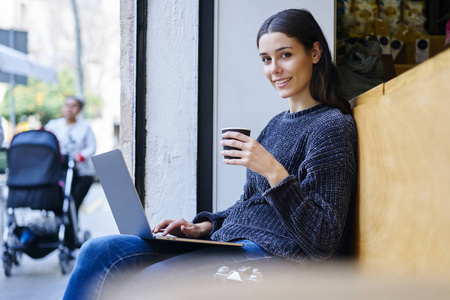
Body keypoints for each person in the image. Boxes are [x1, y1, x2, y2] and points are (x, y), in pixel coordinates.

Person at [63, 9, 357, 300]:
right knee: (97, 251)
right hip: (235, 244)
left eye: (285, 55)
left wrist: (273, 171)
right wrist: (205, 226)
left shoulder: (331, 126)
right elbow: (251, 205)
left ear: (315, 53)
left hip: (281, 257)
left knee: (143, 284)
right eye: (266, 60)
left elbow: (324, 240)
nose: (274, 69)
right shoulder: (276, 124)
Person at [45, 96, 96, 250]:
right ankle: (64, 237)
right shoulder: (53, 125)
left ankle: (71, 241)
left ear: (79, 110)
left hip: (81, 174)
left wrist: (80, 156)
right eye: (67, 105)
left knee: (72, 204)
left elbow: (91, 147)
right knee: (59, 205)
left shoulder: (85, 127)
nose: (69, 108)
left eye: (73, 106)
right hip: (61, 173)